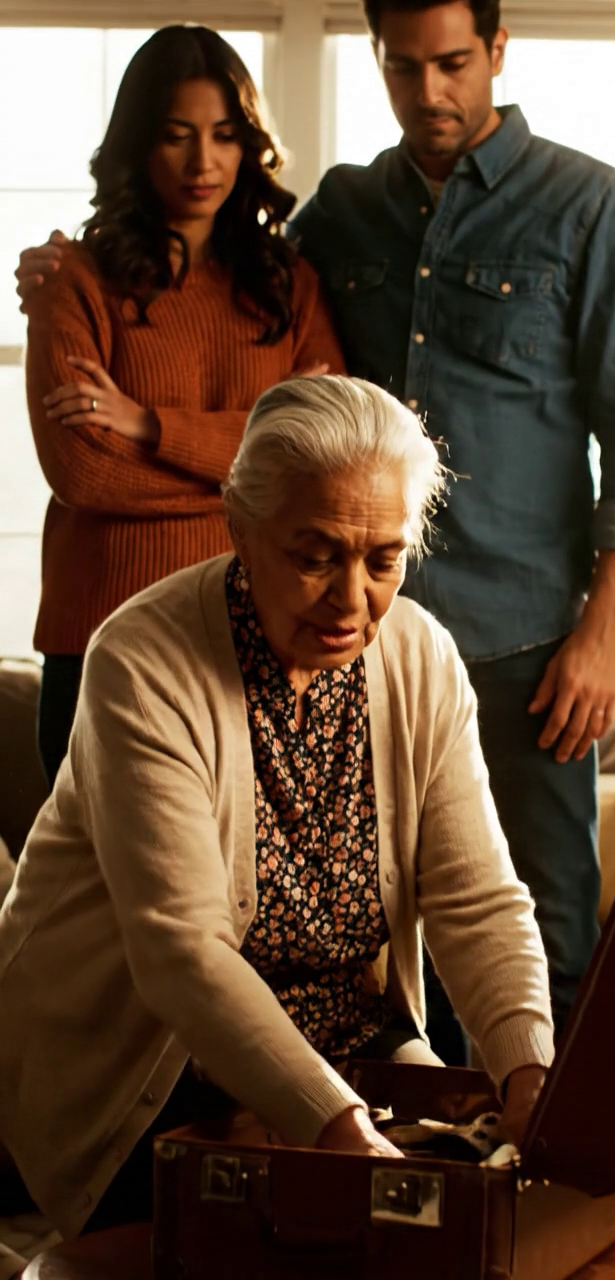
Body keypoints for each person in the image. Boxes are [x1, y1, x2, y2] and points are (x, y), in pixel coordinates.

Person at [15, 2, 615, 1046]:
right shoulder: (338, 218)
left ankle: (544, 1183)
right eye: (404, 67)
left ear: (498, 51)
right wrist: (60, 273)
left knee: (534, 933)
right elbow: (242, 408)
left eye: (454, 63)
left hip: (524, 644)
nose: (430, 93)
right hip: (335, 636)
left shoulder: (589, 207)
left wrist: (603, 636)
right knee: (297, 940)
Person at [0, 376, 554, 1239]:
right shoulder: (141, 663)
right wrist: (336, 1131)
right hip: (140, 1070)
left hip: (345, 1047)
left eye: (384, 559)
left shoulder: (421, 656)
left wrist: (528, 1077)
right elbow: (183, 954)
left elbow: (476, 900)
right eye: (315, 555)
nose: (352, 601)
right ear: (241, 528)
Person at [19, 24, 344, 786]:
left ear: (248, 145)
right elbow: (83, 475)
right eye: (177, 136)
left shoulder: (288, 283)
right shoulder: (72, 278)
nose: (204, 162)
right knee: (97, 896)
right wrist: (254, 489)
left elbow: (323, 450)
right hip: (99, 635)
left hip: (251, 634)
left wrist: (147, 424)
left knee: (242, 895)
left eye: (226, 136)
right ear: (138, 143)